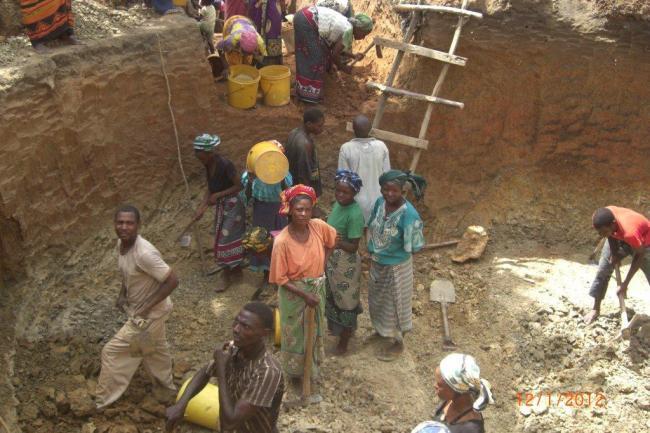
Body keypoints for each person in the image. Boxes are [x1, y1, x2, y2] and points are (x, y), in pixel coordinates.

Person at [95, 205, 179, 409]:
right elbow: (126, 272)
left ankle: (103, 400)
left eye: (129, 223)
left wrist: (144, 309)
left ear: (138, 226)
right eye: (120, 222)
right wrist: (122, 294)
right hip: (150, 313)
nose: (124, 227)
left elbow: (173, 280)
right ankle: (166, 388)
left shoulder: (144, 254)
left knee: (112, 352)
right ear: (115, 224)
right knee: (153, 350)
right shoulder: (121, 245)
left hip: (148, 315)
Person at [165, 302, 285, 433]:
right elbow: (205, 372)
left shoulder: (268, 371)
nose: (236, 329)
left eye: (246, 326)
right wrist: (181, 404)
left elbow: (230, 422)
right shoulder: (235, 349)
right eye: (236, 322)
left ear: (264, 333)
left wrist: (222, 368)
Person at [269, 185, 336, 390]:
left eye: (307, 209)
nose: (303, 214)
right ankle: (296, 375)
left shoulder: (318, 227)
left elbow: (332, 241)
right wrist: (305, 294)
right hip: (294, 295)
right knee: (295, 335)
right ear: (290, 209)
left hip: (316, 291)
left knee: (315, 331)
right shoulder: (282, 242)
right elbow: (280, 279)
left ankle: (311, 368)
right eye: (299, 209)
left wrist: (322, 265)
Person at [367, 170, 426, 361]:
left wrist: (394, 250)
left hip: (397, 268)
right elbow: (372, 225)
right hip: (378, 263)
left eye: (394, 191)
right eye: (385, 190)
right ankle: (382, 332)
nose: (389, 194)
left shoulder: (409, 215)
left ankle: (398, 342)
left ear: (403, 191)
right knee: (377, 301)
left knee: (397, 305)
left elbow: (415, 246)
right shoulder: (379, 203)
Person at [193, 134, 246, 290]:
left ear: (209, 152)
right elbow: (211, 187)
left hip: (234, 204)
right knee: (222, 237)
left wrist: (218, 195)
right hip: (223, 205)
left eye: (199, 152)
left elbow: (239, 186)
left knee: (225, 239)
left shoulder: (225, 164)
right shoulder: (208, 164)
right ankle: (236, 270)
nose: (196, 155)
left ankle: (226, 274)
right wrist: (201, 208)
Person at [583, 206, 650, 324]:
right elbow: (610, 235)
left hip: (644, 242)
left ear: (613, 224)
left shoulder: (630, 232)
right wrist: (614, 254)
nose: (602, 235)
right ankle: (595, 309)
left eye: (603, 232)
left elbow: (639, 255)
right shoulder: (601, 217)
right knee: (603, 270)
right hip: (619, 234)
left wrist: (625, 283)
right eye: (600, 233)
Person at [293, 6, 373, 102]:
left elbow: (335, 49)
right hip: (307, 21)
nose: (363, 38)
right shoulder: (348, 30)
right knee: (317, 59)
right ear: (359, 28)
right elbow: (335, 54)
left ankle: (303, 89)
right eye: (364, 34)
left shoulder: (346, 25)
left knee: (319, 53)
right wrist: (343, 68)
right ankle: (308, 98)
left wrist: (353, 56)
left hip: (303, 16)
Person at [325, 170, 365, 355]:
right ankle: (337, 329)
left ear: (354, 193)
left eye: (345, 192)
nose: (340, 195)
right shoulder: (339, 205)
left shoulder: (354, 214)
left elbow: (354, 247)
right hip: (333, 259)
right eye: (338, 191)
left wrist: (337, 241)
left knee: (347, 302)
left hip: (345, 263)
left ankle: (344, 340)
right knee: (333, 296)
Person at [241, 155, 293, 296]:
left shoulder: (284, 173)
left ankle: (279, 277)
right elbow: (247, 195)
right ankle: (267, 275)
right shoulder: (253, 174)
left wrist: (280, 175)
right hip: (261, 211)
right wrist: (252, 178)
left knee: (278, 242)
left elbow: (288, 191)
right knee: (261, 242)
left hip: (278, 211)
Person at [338, 114, 391, 223]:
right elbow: (387, 176)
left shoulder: (346, 148)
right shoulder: (381, 146)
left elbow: (343, 181)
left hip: (355, 203)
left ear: (353, 129)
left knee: (355, 235)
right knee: (374, 235)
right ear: (371, 129)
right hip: (378, 201)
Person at [432, 353, 494, 433]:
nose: (434, 386)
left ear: (457, 389)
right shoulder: (449, 401)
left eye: (439, 385)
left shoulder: (470, 429)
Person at [285, 108, 325, 200]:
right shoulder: (305, 144)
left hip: (291, 179)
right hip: (300, 183)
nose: (322, 129)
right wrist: (306, 195)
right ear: (309, 124)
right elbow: (304, 173)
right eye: (319, 126)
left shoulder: (293, 132)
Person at [248, 0, 284, 65]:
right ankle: (264, 62)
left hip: (272, 9)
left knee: (273, 31)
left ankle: (272, 61)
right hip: (262, 9)